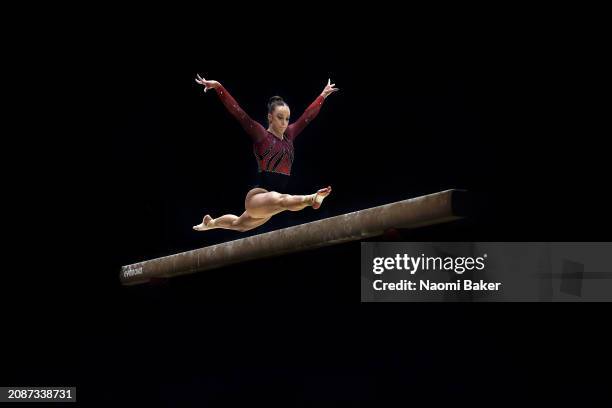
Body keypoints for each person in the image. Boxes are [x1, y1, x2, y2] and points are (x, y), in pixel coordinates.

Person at [193, 75, 339, 232]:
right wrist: (218, 87)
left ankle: (211, 223)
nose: (284, 123)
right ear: (270, 117)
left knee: (240, 225)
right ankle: (312, 199)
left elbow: (307, 117)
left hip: (270, 204)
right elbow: (238, 112)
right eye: (280, 118)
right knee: (283, 200)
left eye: (287, 119)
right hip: (258, 197)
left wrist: (322, 95)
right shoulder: (261, 135)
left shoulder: (289, 135)